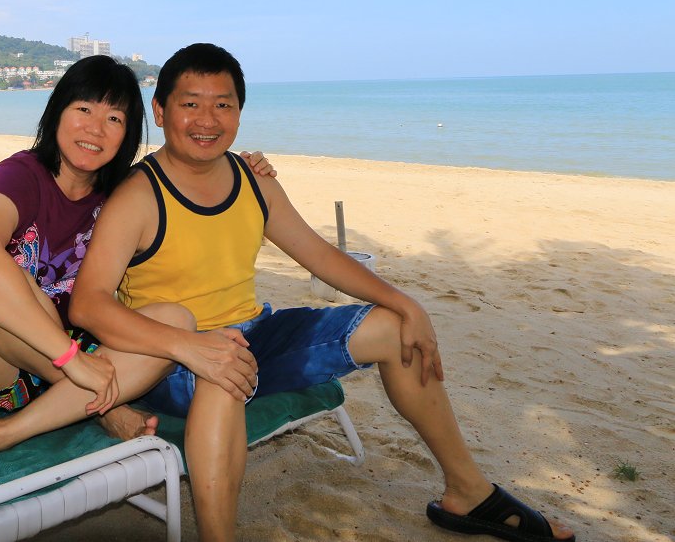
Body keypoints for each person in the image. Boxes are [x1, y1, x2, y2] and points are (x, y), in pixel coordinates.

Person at [68, 43, 576, 542]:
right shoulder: (139, 195)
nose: (207, 118)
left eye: (222, 104)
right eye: (190, 103)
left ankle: (468, 491)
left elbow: (320, 256)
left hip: (254, 335)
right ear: (160, 111)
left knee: (396, 329)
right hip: (167, 361)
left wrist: (405, 301)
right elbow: (89, 304)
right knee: (225, 366)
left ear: (240, 114)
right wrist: (188, 346)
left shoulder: (254, 181)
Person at [0, 54, 273, 462]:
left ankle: (3, 434)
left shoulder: (123, 193)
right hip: (4, 366)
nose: (95, 129)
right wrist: (69, 359)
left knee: (176, 320)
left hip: (87, 363)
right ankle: (108, 410)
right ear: (58, 112)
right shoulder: (22, 175)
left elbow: (187, 180)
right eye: (84, 109)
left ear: (127, 135)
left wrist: (241, 167)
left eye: (114, 119)